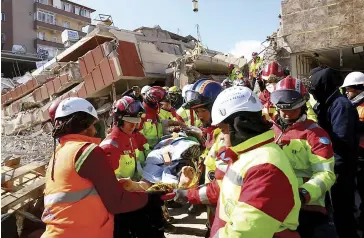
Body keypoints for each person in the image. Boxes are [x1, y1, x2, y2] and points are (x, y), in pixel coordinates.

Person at [41, 97, 167, 238]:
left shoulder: (57, 154)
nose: (95, 131)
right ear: (84, 124)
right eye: (93, 125)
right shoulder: (87, 151)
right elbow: (116, 203)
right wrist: (150, 198)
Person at [209, 86, 301, 237]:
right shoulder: (246, 155)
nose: (223, 139)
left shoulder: (266, 168)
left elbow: (244, 233)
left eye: (224, 130)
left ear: (239, 126)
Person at [270, 76, 336, 238]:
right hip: (275, 204)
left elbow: (326, 174)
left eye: (291, 109)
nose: (286, 114)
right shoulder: (269, 130)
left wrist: (303, 194)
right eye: (282, 109)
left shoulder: (315, 135)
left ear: (302, 105)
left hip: (307, 207)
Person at [309, 67, 360, 238]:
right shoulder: (327, 103)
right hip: (332, 164)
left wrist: (335, 169)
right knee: (336, 209)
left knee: (343, 209)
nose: (314, 93)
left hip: (341, 166)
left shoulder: (340, 106)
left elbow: (342, 140)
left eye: (315, 88)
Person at [183, 78, 224, 215]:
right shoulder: (211, 133)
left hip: (222, 205)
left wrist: (190, 195)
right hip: (211, 201)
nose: (199, 116)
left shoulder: (225, 137)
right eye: (196, 112)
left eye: (202, 111)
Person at [100, 96, 146, 180]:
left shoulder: (131, 137)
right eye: (129, 121)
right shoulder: (110, 147)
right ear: (119, 121)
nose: (133, 126)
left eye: (136, 122)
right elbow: (109, 182)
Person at [341, 71, 364, 229]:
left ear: (358, 88)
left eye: (348, 90)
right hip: (357, 152)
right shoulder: (353, 105)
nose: (346, 93)